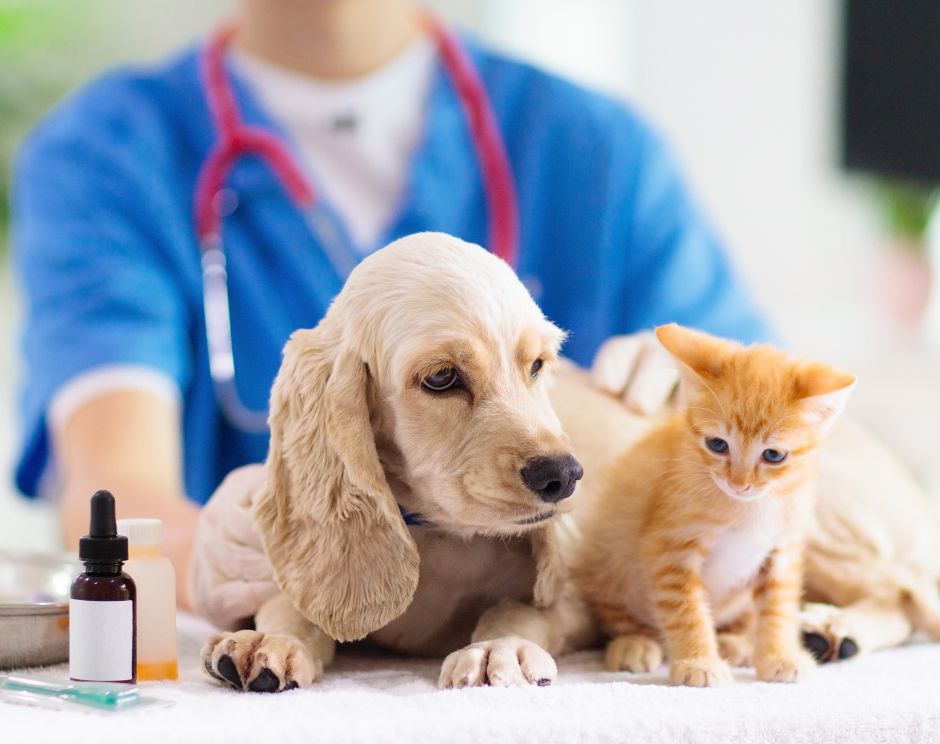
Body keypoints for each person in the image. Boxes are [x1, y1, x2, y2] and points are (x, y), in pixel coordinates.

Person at [11, 0, 769, 607]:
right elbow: (113, 486)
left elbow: (784, 434)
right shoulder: (106, 152)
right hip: (278, 666)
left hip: (539, 642)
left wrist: (700, 413)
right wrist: (202, 556)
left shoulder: (597, 150)